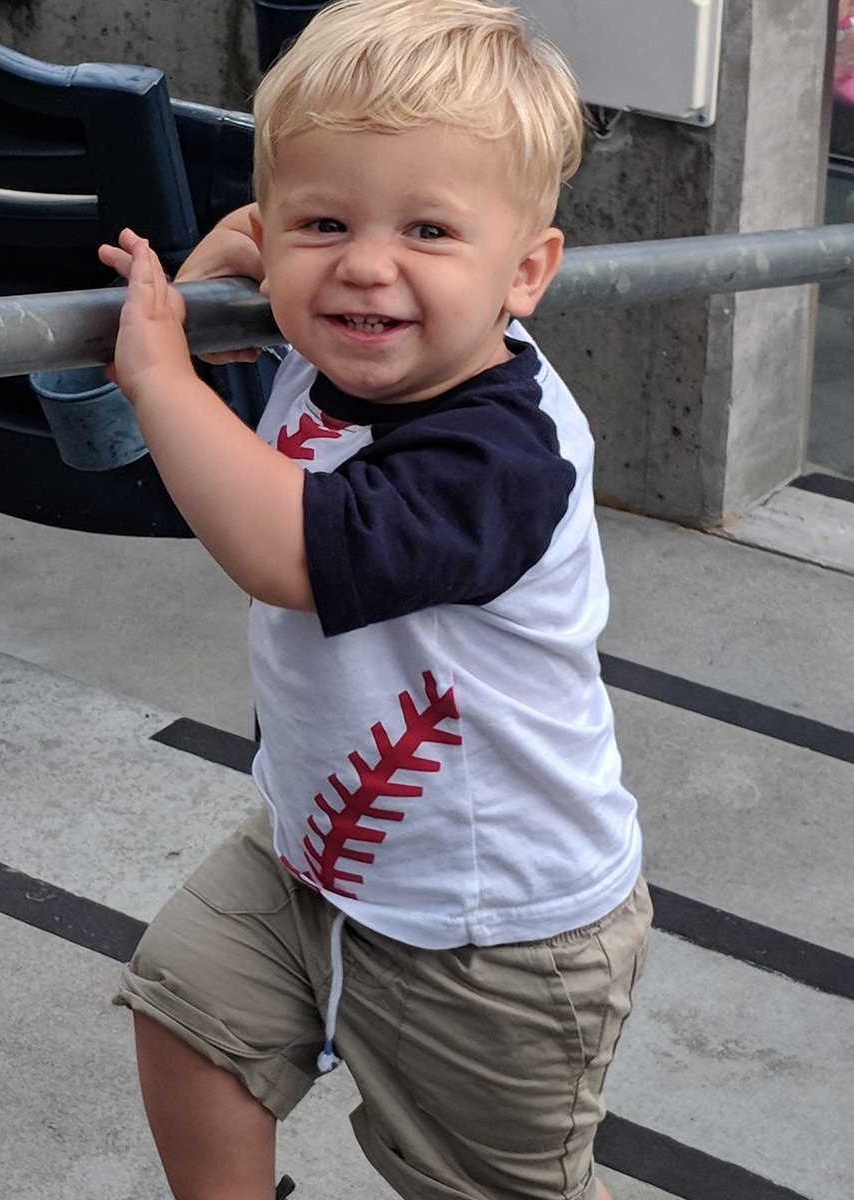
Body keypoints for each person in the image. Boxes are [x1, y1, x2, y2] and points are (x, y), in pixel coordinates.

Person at [96, 2, 650, 1197]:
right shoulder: (340, 339)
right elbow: (263, 316)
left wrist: (158, 371)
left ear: (526, 271)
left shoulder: (502, 455)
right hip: (311, 850)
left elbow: (285, 549)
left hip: (495, 932)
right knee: (187, 1017)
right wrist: (207, 294)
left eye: (429, 229)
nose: (364, 263)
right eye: (325, 221)